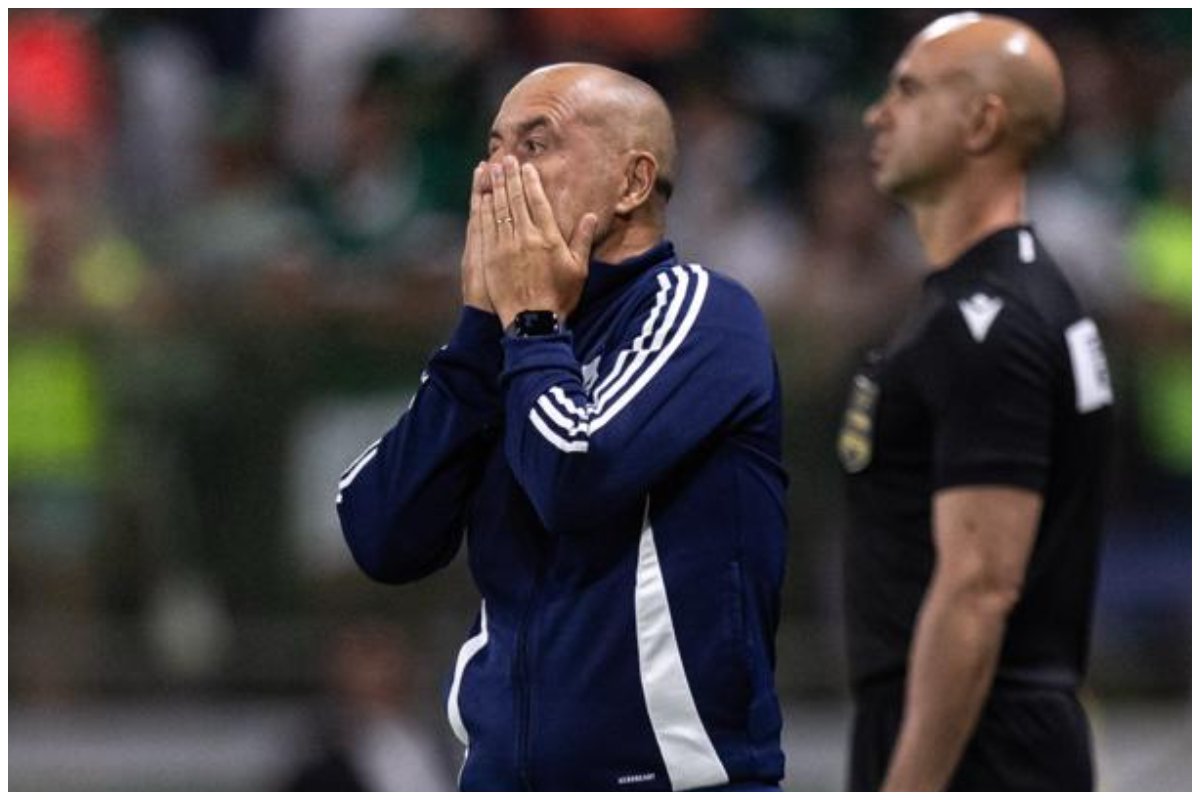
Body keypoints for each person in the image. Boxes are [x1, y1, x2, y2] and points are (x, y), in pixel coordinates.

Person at [336, 63, 788, 791]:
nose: (497, 174)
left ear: (633, 183)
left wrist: (530, 323)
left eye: (536, 144)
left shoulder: (705, 313)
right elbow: (380, 534)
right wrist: (478, 331)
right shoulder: (508, 343)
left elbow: (574, 474)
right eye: (492, 148)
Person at [840, 13, 1115, 791]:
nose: (876, 115)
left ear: (982, 121)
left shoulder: (991, 322)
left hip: (976, 741)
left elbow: (979, 588)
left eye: (907, 91)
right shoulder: (990, 301)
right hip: (974, 725)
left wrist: (909, 785)